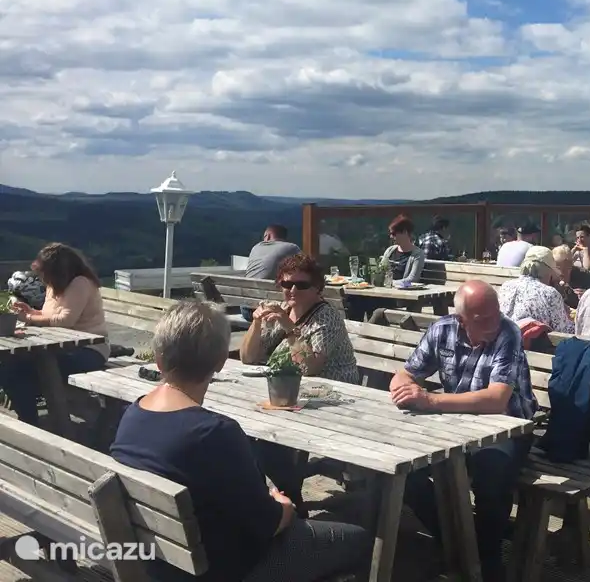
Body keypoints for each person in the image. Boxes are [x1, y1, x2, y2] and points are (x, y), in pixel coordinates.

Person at [110, 301, 369, 582]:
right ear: (221, 361)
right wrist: (283, 506)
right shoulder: (215, 432)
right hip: (224, 570)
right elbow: (268, 525)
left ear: (159, 361)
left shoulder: (132, 415)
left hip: (159, 563)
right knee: (360, 541)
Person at [390, 281, 536, 582]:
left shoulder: (508, 333)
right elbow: (404, 374)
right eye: (483, 319)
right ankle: (455, 539)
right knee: (404, 470)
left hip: (508, 427)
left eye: (496, 314)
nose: (494, 323)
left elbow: (497, 401)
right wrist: (406, 389)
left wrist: (430, 400)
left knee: (490, 471)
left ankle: (488, 559)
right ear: (461, 320)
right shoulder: (442, 330)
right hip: (456, 426)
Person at [239, 253, 358, 513]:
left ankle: (289, 501)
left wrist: (288, 326)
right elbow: (247, 357)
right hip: (291, 393)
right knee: (245, 433)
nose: (292, 290)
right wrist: (257, 322)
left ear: (317, 289)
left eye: (301, 285)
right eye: (286, 284)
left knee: (263, 439)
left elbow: (310, 367)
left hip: (329, 397)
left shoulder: (326, 317)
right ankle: (273, 499)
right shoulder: (283, 310)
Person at [4, 243, 109, 425]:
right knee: (11, 367)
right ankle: (30, 420)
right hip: (61, 348)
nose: (43, 278)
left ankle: (36, 422)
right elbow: (49, 316)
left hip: (89, 350)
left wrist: (29, 317)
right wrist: (31, 312)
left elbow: (64, 321)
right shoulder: (55, 286)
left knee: (26, 369)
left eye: (45, 272)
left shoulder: (80, 283)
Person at [497, 246, 574, 334]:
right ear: (548, 271)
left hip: (503, 342)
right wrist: (568, 317)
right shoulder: (550, 293)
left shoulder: (506, 286)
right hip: (532, 346)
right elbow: (563, 330)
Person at [243, 226, 302, 322]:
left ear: (268, 236)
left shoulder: (256, 247)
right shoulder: (291, 248)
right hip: (272, 311)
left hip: (246, 309)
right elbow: (305, 269)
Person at [550, 244, 590, 308]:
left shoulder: (584, 275)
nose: (562, 272)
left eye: (567, 267)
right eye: (558, 268)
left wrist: (586, 295)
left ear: (571, 264)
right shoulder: (548, 276)